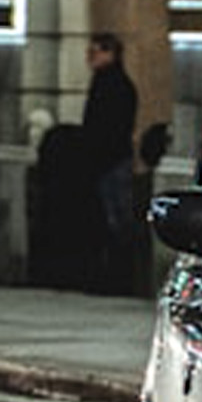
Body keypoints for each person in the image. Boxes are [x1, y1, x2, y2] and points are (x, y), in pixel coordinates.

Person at [82, 30, 138, 292]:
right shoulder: (106, 83)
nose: (89, 58)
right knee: (109, 219)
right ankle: (113, 275)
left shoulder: (114, 86)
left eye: (95, 52)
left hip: (111, 161)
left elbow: (109, 127)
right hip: (106, 160)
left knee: (117, 219)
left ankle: (119, 277)